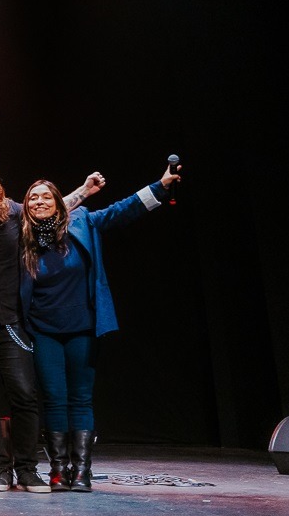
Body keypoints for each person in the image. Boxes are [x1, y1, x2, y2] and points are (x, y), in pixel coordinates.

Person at [0, 157, 104, 493]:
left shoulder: (13, 212)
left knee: (25, 396)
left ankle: (26, 469)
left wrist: (84, 190)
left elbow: (53, 209)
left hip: (11, 322)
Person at [20, 162, 181, 492]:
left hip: (82, 327)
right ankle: (58, 470)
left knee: (80, 398)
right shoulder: (22, 239)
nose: (38, 202)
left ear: (58, 202)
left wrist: (160, 187)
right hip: (43, 331)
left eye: (45, 197)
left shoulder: (82, 222)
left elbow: (122, 211)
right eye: (32, 198)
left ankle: (82, 471)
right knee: (53, 398)